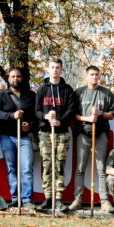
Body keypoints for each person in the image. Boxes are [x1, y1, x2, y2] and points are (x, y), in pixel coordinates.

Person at [71, 65, 114, 212]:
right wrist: (88, 118)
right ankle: (77, 199)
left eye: (97, 74)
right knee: (80, 167)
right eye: (92, 74)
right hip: (83, 133)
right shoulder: (79, 92)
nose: (94, 77)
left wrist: (101, 114)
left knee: (101, 169)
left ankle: (104, 201)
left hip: (100, 133)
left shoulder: (107, 93)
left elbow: (113, 114)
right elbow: (73, 115)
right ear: (86, 75)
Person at [35, 58, 77, 212]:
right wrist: (46, 117)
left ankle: (59, 198)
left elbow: (71, 110)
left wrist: (61, 121)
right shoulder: (41, 89)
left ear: (61, 69)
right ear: (48, 69)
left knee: (59, 165)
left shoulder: (67, 89)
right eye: (52, 67)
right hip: (46, 133)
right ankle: (48, 197)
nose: (55, 70)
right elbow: (36, 111)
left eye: (57, 67)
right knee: (47, 165)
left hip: (62, 133)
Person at [0, 69, 37, 210]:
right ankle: (15, 198)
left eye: (18, 76)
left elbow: (37, 116)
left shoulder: (30, 95)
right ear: (8, 79)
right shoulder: (2, 96)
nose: (16, 79)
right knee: (11, 169)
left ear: (22, 78)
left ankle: (27, 199)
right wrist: (12, 115)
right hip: (7, 137)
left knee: (26, 169)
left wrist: (29, 125)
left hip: (25, 138)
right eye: (13, 76)